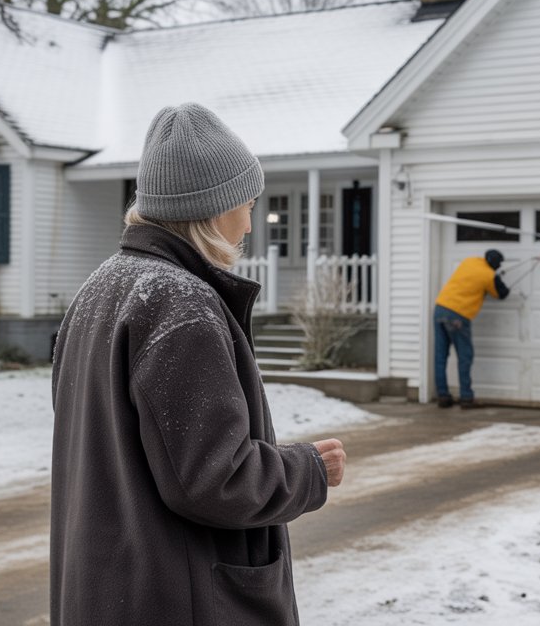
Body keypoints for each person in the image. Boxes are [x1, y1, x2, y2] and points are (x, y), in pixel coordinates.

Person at [50, 103, 346, 626]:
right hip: (177, 602)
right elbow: (216, 481)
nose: (249, 223)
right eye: (247, 205)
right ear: (213, 208)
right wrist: (309, 471)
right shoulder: (181, 306)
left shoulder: (99, 290)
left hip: (108, 592)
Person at [433, 248, 510, 409]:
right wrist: (497, 279)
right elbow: (501, 294)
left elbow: (470, 281)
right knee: (465, 356)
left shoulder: (470, 261)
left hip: (440, 308)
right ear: (495, 264)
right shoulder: (489, 276)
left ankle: (443, 396)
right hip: (458, 315)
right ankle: (466, 397)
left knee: (440, 356)